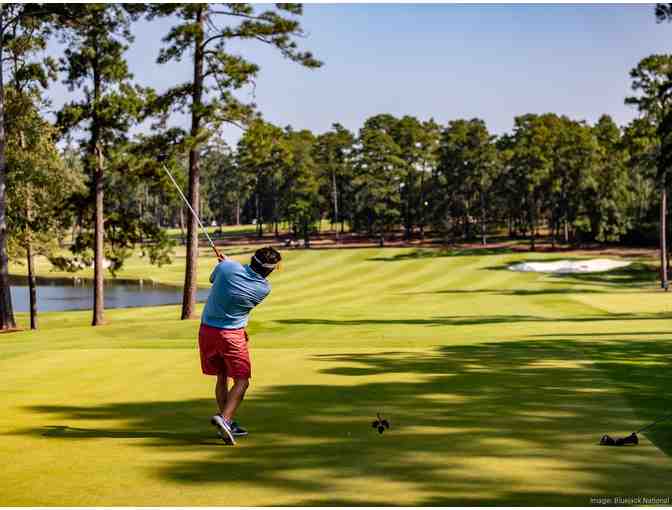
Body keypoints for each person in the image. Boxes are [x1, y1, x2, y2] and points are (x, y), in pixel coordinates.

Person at [198, 246, 282, 445]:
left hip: (207, 332)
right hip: (232, 336)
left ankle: (228, 421)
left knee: (222, 376)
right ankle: (225, 419)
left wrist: (227, 264)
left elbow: (215, 279)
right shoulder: (264, 289)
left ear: (253, 259)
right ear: (269, 270)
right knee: (242, 380)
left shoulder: (227, 267)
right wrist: (229, 264)